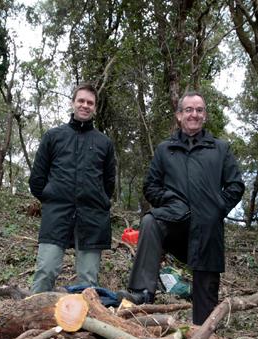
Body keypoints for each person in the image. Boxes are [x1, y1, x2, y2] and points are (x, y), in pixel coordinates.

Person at [118, 91, 245, 325]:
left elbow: (236, 185)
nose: (194, 114)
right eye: (188, 110)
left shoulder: (220, 148)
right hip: (175, 222)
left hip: (207, 230)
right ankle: (142, 291)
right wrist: (171, 201)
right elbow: (150, 186)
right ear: (179, 115)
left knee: (205, 305)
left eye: (199, 110)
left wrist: (217, 209)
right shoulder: (165, 150)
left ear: (205, 115)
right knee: (150, 221)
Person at [28, 83, 116, 294]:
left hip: (92, 218)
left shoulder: (104, 143)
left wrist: (98, 199)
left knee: (88, 281)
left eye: (90, 103)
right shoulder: (53, 137)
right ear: (73, 103)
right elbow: (37, 179)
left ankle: (86, 316)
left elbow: (109, 183)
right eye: (81, 101)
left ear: (95, 107)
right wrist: (52, 198)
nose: (85, 105)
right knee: (46, 270)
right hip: (56, 214)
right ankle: (31, 311)